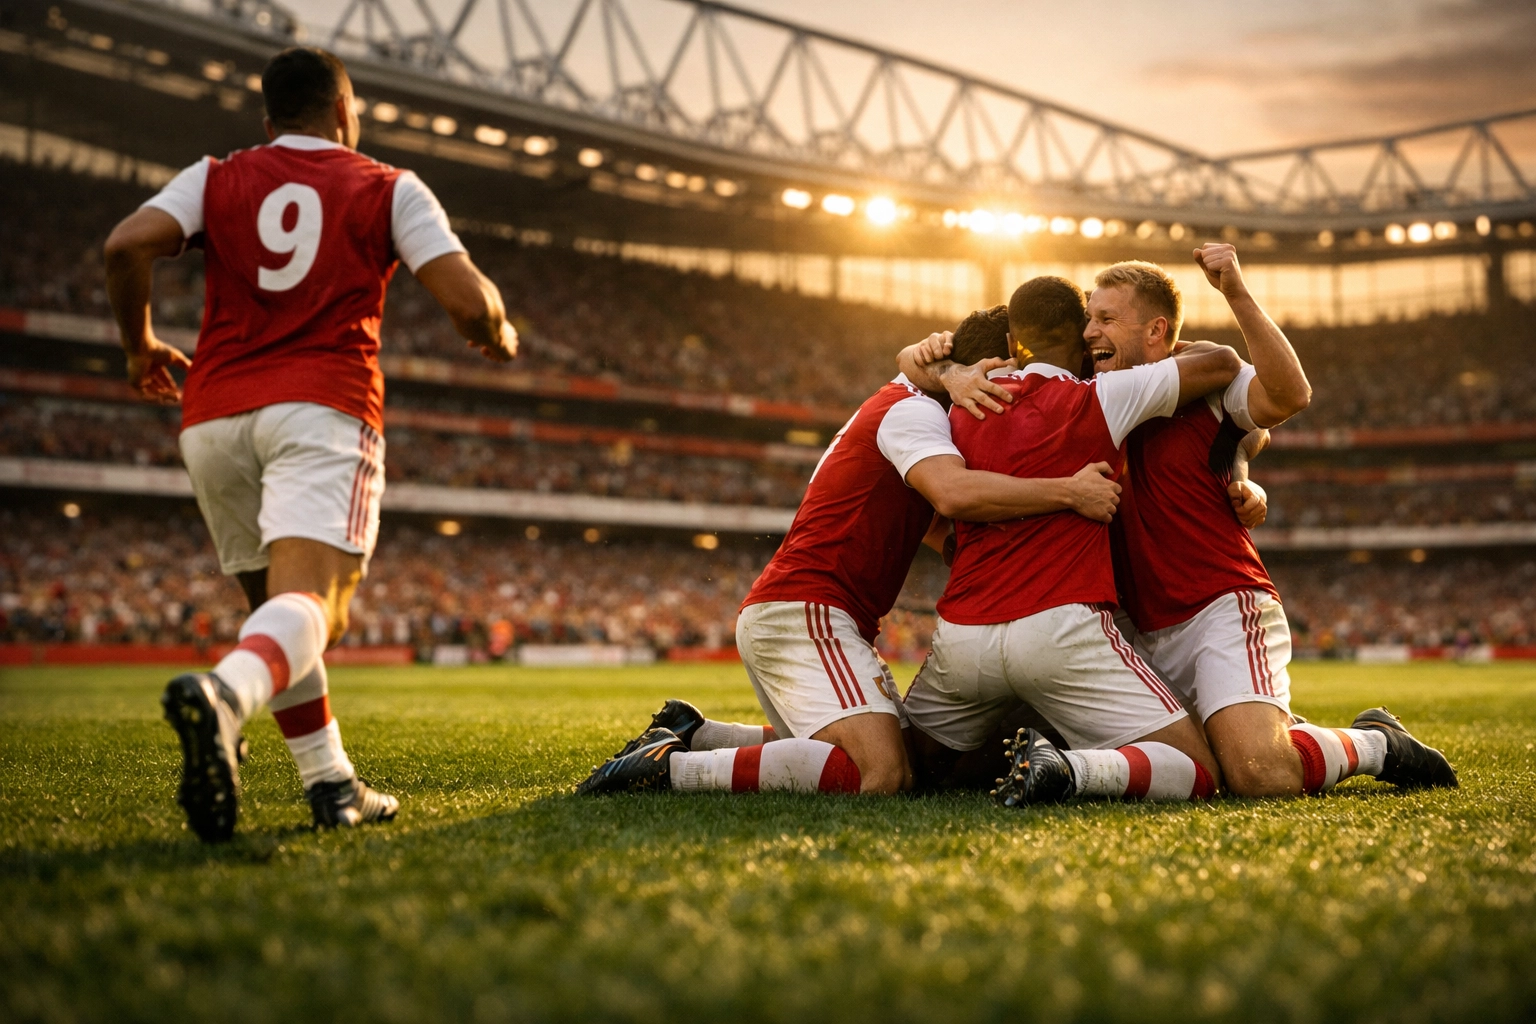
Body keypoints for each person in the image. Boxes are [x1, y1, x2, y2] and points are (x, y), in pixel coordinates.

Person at [103, 47, 519, 841]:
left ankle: (330, 783)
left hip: (212, 417)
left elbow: (125, 245)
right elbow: (470, 303)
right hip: (321, 407)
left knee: (276, 611)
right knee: (315, 609)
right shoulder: (387, 185)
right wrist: (497, 332)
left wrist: (138, 347)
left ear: (269, 121)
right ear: (344, 110)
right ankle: (226, 696)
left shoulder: (215, 176)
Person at [574, 310, 1122, 797]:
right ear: (990, 366)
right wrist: (1069, 492)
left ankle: (697, 733)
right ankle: (668, 771)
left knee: (896, 756)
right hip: (807, 609)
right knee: (879, 772)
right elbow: (952, 493)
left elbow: (933, 523)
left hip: (812, 609)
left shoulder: (910, 402)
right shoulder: (915, 413)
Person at [1081, 250, 1456, 797]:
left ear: (1156, 330)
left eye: (1106, 318)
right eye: (1089, 317)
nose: (1089, 331)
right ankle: (1275, 728)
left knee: (1259, 774)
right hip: (1136, 629)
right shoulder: (1086, 387)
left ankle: (1377, 743)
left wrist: (1234, 292)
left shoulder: (1205, 379)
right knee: (1205, 764)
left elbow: (1289, 395)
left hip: (1219, 608)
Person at [901, 276, 1244, 805]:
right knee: (1198, 770)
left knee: (906, 766)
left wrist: (946, 372)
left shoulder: (952, 409)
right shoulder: (1101, 398)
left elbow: (928, 498)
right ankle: (1072, 770)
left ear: (1013, 343)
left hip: (963, 637)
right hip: (1063, 629)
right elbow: (1222, 363)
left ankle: (756, 744)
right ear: (1083, 340)